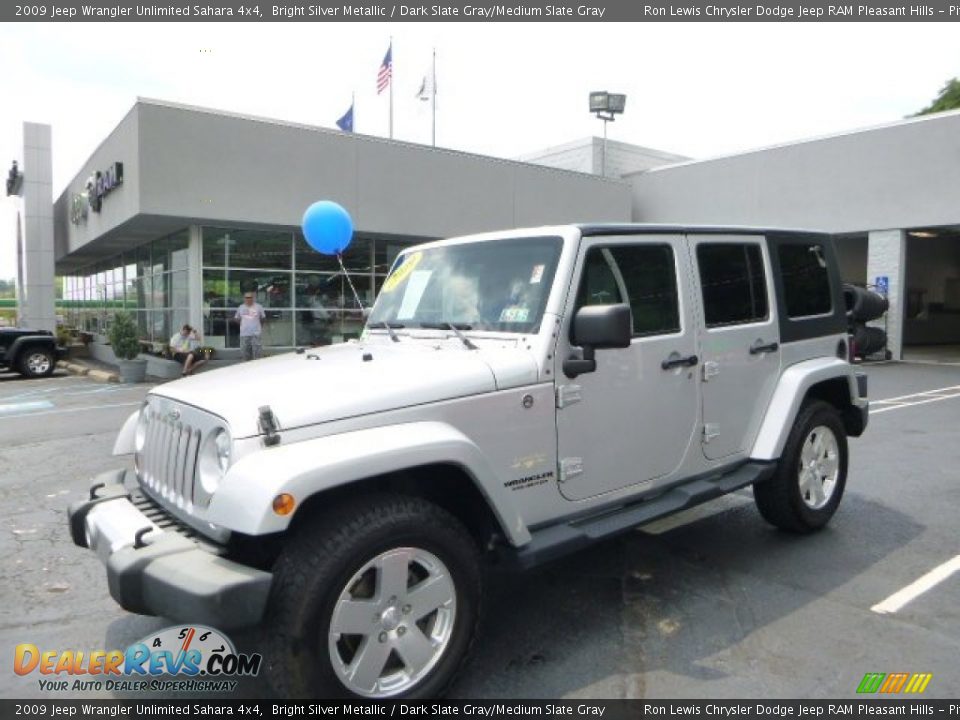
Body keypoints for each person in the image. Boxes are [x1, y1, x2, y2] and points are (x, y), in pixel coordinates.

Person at [234, 291, 266, 361]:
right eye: (247, 297)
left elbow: (263, 318)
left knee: (257, 355)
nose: (248, 299)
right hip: (244, 334)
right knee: (245, 354)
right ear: (244, 298)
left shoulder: (258, 307)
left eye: (250, 297)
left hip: (256, 334)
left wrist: (259, 326)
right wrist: (242, 325)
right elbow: (236, 318)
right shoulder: (241, 307)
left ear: (253, 298)